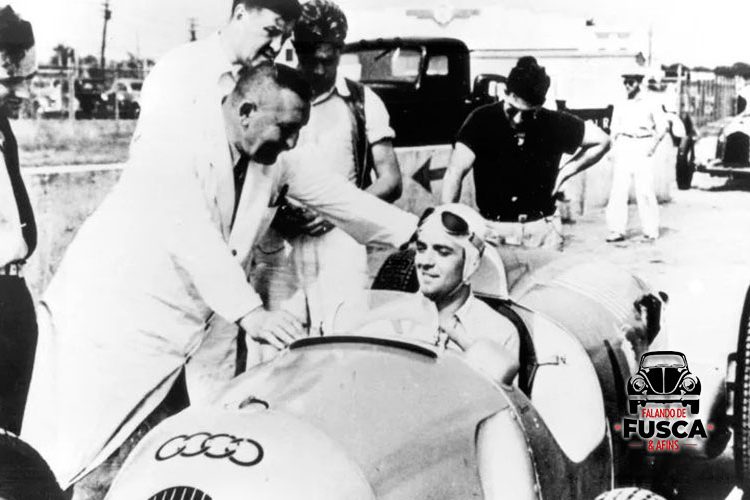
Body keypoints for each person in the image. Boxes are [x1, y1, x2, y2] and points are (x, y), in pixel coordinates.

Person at [21, 63, 417, 491]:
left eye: (298, 131)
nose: (291, 142)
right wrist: (252, 314)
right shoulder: (174, 142)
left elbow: (338, 197)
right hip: (114, 324)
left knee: (170, 462)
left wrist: (413, 232)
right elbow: (193, 236)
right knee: (77, 461)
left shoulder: (272, 158)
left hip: (187, 335)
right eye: (286, 129)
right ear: (246, 111)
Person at [264, 0, 402, 326]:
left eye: (328, 60)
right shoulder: (272, 95)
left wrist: (337, 212)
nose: (319, 70)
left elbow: (391, 180)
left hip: (341, 244)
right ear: (295, 49)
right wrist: (279, 214)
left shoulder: (364, 102)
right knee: (276, 344)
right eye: (310, 60)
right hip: (279, 244)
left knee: (344, 337)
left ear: (341, 50)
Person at [441, 56, 610, 250]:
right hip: (494, 231)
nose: (519, 119)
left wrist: (564, 172)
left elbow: (603, 141)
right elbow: (455, 172)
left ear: (540, 105)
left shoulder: (554, 122)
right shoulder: (481, 120)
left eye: (528, 114)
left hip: (543, 231)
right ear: (506, 93)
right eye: (512, 110)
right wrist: (445, 222)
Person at [130, 0, 302, 162]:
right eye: (271, 31)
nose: (277, 47)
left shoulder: (265, 82)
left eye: (285, 38)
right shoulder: (179, 69)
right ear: (240, 15)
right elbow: (155, 158)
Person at [414, 204, 519, 384]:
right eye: (421, 248)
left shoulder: (499, 331)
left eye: (443, 252)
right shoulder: (395, 319)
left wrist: (463, 340)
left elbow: (499, 399)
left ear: (471, 264)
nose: (425, 262)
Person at [0, 5, 37, 436]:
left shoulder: (2, 129)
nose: (24, 93)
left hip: (11, 296)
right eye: (11, 81)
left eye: (30, 78)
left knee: (10, 436)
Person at [605, 69, 669, 242]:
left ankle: (651, 229)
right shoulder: (620, 102)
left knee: (645, 189)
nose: (627, 85)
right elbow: (614, 128)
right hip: (624, 145)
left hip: (643, 143)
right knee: (619, 189)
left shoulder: (651, 101)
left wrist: (652, 147)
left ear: (639, 82)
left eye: (631, 82)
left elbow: (662, 126)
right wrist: (613, 148)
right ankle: (616, 230)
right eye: (625, 82)